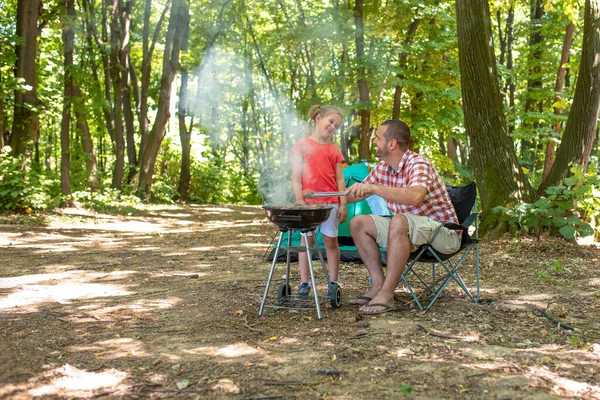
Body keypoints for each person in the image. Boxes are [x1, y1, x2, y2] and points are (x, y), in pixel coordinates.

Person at [345, 119, 460, 315]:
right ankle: (378, 286)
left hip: (444, 234)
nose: (374, 141)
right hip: (408, 232)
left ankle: (387, 294)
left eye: (378, 138)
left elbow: (415, 196)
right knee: (358, 222)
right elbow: (352, 195)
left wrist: (374, 188)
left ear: (392, 144)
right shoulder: (383, 168)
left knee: (399, 219)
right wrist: (320, 199)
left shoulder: (418, 163)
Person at [291, 105, 347, 298]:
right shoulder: (302, 145)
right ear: (318, 118)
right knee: (306, 241)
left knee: (331, 242)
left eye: (337, 126)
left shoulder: (334, 150)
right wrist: (299, 199)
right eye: (331, 121)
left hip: (331, 202)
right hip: (309, 204)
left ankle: (333, 282)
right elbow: (296, 176)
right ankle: (304, 283)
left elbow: (340, 180)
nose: (333, 127)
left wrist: (343, 204)